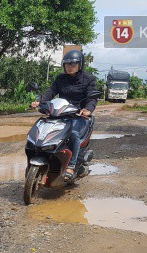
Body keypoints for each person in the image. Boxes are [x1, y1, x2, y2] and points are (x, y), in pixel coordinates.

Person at [30, 50, 98, 179]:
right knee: (43, 127)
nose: (70, 67)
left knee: (73, 134)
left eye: (73, 64)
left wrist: (87, 109)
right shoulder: (60, 78)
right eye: (67, 64)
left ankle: (71, 166)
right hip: (60, 113)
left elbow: (92, 97)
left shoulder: (89, 78)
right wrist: (40, 101)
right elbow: (51, 91)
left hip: (79, 115)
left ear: (80, 64)